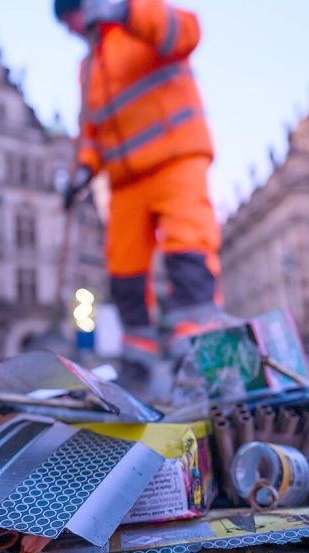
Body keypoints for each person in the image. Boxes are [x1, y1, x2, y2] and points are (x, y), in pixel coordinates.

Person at [55, 0, 224, 386]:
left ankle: (198, 353)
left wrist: (127, 10)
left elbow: (187, 32)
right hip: (124, 182)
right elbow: (92, 132)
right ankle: (138, 359)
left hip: (175, 158)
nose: (72, 29)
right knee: (124, 272)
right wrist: (83, 169)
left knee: (187, 251)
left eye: (71, 19)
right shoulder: (88, 68)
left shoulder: (139, 21)